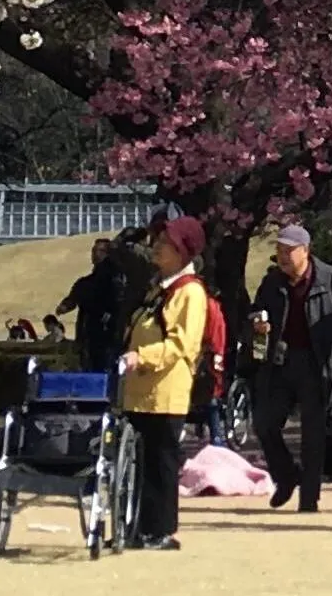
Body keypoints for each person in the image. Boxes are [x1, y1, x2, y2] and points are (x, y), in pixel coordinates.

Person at [250, 220, 332, 514]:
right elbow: (254, 316)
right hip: (280, 361)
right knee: (265, 423)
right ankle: (286, 477)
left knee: (314, 435)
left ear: (305, 251)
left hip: (318, 363)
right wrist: (258, 326)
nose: (283, 256)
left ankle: (309, 499)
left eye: (289, 250)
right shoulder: (272, 282)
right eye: (280, 250)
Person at [118, 215, 208, 550]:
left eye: (165, 243)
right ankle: (135, 527)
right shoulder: (160, 287)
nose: (156, 247)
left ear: (183, 252)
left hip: (165, 391)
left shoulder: (190, 293)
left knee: (160, 464)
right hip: (139, 391)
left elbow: (182, 345)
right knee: (137, 464)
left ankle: (160, 530)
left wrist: (143, 356)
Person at [57, 237, 127, 373]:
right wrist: (66, 304)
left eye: (101, 251)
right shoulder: (88, 282)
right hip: (88, 332)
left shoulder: (116, 278)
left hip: (108, 333)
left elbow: (118, 300)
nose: (96, 254)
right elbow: (78, 294)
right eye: (94, 251)